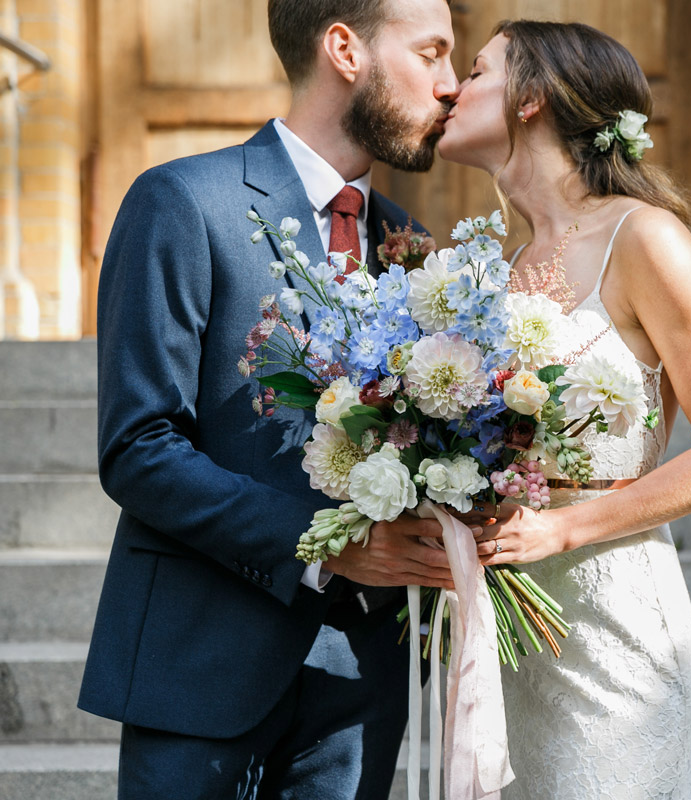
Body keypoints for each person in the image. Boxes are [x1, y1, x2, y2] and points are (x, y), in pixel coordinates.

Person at [78, 1, 461, 796]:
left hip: (363, 680)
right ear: (345, 49)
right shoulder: (183, 201)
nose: (451, 84)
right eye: (432, 53)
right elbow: (139, 448)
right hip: (201, 656)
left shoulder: (415, 249)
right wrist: (323, 546)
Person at [437, 20, 691, 799]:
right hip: (517, 629)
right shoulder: (498, 271)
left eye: (476, 72)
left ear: (531, 99)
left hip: (615, 626)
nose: (450, 88)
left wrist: (561, 527)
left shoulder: (647, 239)